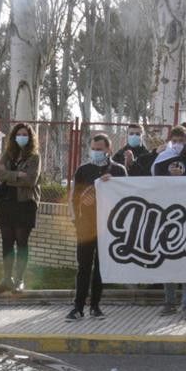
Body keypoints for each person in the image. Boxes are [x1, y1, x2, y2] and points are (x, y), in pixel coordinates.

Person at [67, 133, 127, 320]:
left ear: (108, 150)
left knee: (101, 268)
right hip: (86, 226)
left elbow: (126, 197)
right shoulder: (83, 170)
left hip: (108, 227)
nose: (95, 152)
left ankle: (95, 305)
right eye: (93, 149)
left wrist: (113, 183)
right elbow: (74, 197)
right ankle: (78, 307)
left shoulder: (118, 170)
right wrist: (76, 220)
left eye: (99, 149)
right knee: (83, 266)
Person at [150, 125, 186, 319]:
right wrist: (170, 177)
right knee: (168, 259)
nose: (177, 145)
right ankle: (169, 302)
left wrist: (183, 178)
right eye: (174, 141)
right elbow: (154, 182)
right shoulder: (164, 157)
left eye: (181, 141)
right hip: (167, 216)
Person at [0, 123, 42, 293]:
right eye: (19, 134)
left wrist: (8, 176)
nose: (22, 137)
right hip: (7, 202)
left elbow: (30, 181)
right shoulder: (8, 154)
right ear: (13, 136)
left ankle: (19, 279)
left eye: (25, 134)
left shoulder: (35, 157)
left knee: (21, 242)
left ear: (30, 137)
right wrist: (17, 175)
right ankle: (7, 279)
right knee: (7, 242)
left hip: (25, 203)